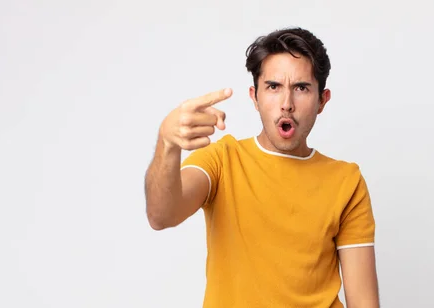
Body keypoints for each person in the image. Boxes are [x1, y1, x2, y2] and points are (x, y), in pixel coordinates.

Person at [144, 27, 380, 308]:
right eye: (273, 87)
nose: (286, 104)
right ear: (254, 97)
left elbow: (363, 301)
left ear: (321, 101)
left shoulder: (346, 181)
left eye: (301, 88)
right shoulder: (223, 160)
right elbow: (161, 215)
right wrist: (167, 144)